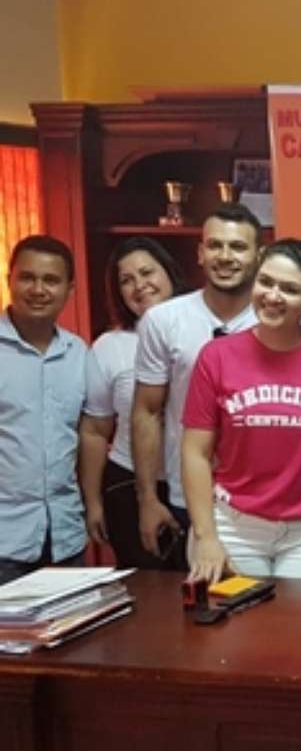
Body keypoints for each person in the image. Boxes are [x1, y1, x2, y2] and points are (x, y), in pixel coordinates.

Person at [181, 239, 301, 582]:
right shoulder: (217, 356)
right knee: (235, 615)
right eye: (266, 282)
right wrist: (205, 536)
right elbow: (195, 452)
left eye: (290, 289)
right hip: (234, 525)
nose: (273, 296)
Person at [132, 203, 262, 568]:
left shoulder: (277, 319)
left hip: (258, 497)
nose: (226, 256)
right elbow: (146, 412)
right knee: (200, 599)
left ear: (258, 255)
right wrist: (147, 498)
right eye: (215, 245)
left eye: (238, 247)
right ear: (201, 253)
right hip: (187, 494)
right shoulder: (163, 320)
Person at [78, 238, 185, 568]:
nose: (140, 285)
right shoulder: (110, 346)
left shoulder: (202, 333)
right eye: (127, 280)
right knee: (147, 589)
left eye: (147, 272)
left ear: (169, 273)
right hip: (128, 484)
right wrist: (93, 503)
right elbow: (95, 431)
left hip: (194, 484)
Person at [0, 236, 87, 585]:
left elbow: (87, 436)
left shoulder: (78, 353)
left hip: (66, 537)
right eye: (27, 278)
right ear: (9, 279)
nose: (38, 290)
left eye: (51, 280)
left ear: (69, 289)